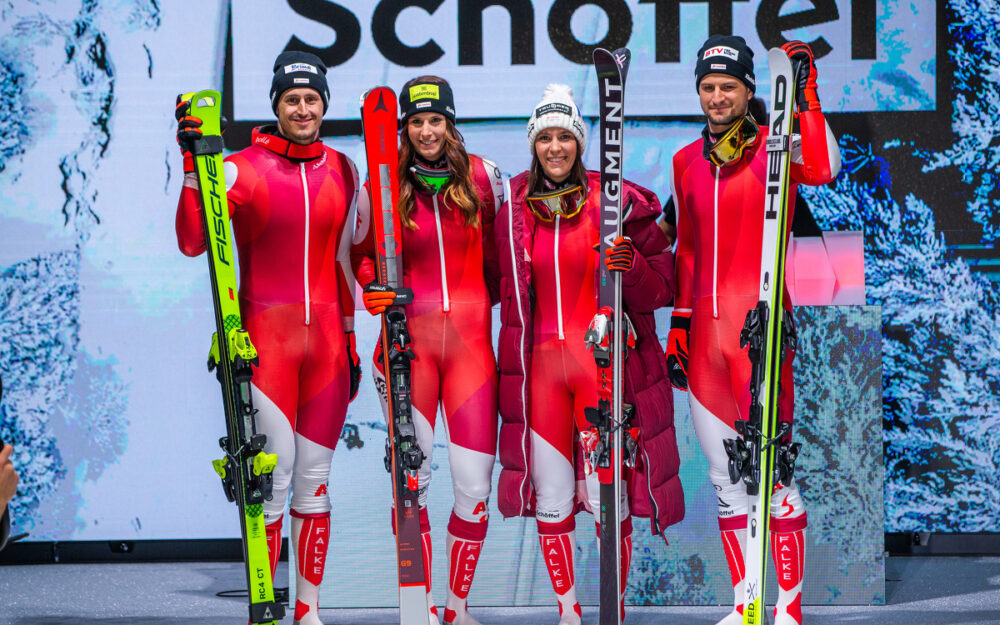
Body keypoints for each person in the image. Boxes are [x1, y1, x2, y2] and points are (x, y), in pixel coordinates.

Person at [174, 50, 361, 625]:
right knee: (271, 482)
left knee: (316, 485)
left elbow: (351, 263)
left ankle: (309, 611)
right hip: (267, 349)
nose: (302, 109)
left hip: (327, 347)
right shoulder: (238, 167)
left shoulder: (346, 169)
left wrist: (353, 340)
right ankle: (266, 603)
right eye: (291, 100)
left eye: (311, 100)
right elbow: (191, 241)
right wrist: (191, 167)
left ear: (323, 105)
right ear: (276, 105)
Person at [666, 35, 841, 625]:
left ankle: (787, 611)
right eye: (708, 87)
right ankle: (745, 606)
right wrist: (680, 326)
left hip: (760, 332)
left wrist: (807, 96)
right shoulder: (685, 162)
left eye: (729, 87)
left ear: (748, 92)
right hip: (708, 344)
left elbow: (823, 168)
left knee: (775, 479)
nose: (717, 97)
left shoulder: (777, 147)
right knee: (725, 482)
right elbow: (687, 252)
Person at [494, 84, 684, 625]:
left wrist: (634, 267)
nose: (556, 148)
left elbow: (661, 289)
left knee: (609, 500)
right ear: (534, 145)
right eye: (546, 138)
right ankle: (568, 612)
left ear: (580, 142)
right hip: (541, 378)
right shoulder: (512, 208)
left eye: (566, 137)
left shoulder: (619, 201)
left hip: (600, 370)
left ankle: (613, 611)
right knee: (552, 498)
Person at [351, 76, 504, 625]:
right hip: (408, 351)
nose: (425, 130)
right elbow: (362, 257)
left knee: (474, 488)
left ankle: (457, 609)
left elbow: (503, 262)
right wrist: (373, 287)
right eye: (415, 121)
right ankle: (418, 604)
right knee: (410, 486)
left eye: (435, 119)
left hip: (471, 355)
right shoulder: (382, 186)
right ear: (404, 128)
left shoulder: (486, 180)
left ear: (451, 122)